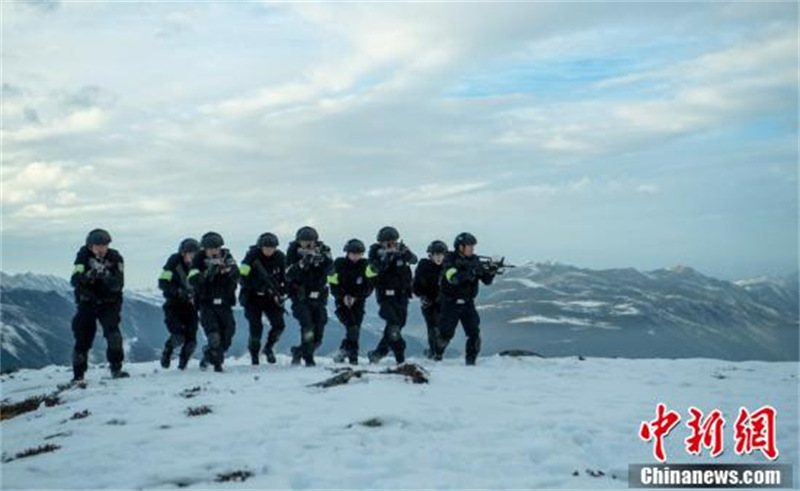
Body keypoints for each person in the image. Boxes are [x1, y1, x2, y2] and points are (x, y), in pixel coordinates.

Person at [69, 228, 128, 381]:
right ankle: (78, 376)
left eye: (104, 245)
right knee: (82, 338)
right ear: (90, 246)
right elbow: (74, 279)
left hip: (109, 304)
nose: (102, 249)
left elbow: (119, 284)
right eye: (98, 245)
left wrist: (106, 276)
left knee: (113, 335)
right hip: (87, 303)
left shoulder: (115, 258)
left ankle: (116, 369)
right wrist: (89, 276)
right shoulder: (82, 256)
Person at [435, 232, 497, 365]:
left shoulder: (475, 260)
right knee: (446, 334)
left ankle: (471, 362)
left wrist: (491, 271)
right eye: (470, 246)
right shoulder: (449, 259)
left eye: (473, 247)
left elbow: (486, 281)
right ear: (460, 247)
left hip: (468, 303)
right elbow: (453, 278)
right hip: (450, 303)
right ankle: (437, 355)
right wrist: (471, 273)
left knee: (474, 333)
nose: (472, 249)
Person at [187, 232, 239, 372]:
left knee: (228, 335)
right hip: (206, 304)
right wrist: (207, 273)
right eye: (209, 249)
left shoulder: (227, 257)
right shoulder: (198, 260)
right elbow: (192, 280)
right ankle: (217, 364)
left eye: (216, 248)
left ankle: (209, 355)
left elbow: (237, 273)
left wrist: (227, 270)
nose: (213, 251)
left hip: (225, 303)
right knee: (214, 335)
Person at [366, 226, 417, 364]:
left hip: (402, 295)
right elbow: (372, 270)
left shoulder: (401, 250)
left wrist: (406, 253)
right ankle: (400, 358)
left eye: (393, 241)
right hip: (386, 296)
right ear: (381, 242)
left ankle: (378, 353)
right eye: (388, 242)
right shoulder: (375, 253)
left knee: (397, 326)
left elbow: (414, 260)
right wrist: (386, 258)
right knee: (393, 325)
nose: (391, 245)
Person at [285, 226, 333, 367]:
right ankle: (308, 358)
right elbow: (288, 274)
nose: (307, 244)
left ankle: (299, 351)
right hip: (300, 296)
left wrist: (323, 260)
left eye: (310, 242)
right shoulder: (293, 251)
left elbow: (332, 271)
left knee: (319, 330)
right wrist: (302, 263)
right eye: (304, 242)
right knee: (307, 326)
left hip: (319, 296)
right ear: (299, 242)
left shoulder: (324, 250)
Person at [239, 232, 287, 365]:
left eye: (272, 248)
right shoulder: (251, 257)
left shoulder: (280, 257)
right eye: (266, 247)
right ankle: (254, 355)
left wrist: (282, 292)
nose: (269, 250)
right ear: (261, 247)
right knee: (256, 327)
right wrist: (259, 286)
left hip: (272, 298)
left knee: (279, 325)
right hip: (252, 298)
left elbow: (285, 278)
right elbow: (242, 278)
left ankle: (268, 348)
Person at [328, 238, 374, 365]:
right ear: (347, 252)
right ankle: (353, 358)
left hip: (359, 302)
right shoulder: (338, 264)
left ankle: (343, 351)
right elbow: (333, 284)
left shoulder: (366, 265)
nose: (356, 256)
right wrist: (343, 296)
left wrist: (355, 297)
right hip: (341, 302)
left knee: (355, 329)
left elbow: (369, 287)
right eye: (353, 253)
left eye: (359, 254)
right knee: (352, 327)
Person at [158, 238, 200, 370]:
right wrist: (178, 291)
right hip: (174, 305)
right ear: (183, 253)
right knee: (178, 337)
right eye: (190, 253)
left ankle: (183, 365)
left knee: (191, 341)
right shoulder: (173, 262)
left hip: (191, 306)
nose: (193, 256)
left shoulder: (199, 264)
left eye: (195, 253)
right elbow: (163, 282)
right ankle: (168, 350)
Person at [413, 240, 448, 359]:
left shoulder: (448, 267)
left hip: (444, 302)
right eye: (436, 255)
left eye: (441, 255)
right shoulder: (423, 266)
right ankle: (435, 353)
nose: (439, 257)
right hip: (428, 301)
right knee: (433, 326)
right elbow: (416, 285)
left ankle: (436, 351)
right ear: (431, 255)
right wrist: (422, 296)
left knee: (444, 330)